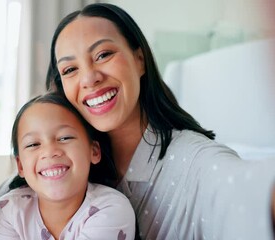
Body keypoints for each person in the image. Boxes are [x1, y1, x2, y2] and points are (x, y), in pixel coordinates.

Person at [44, 2, 275, 240]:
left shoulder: (195, 161)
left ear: (140, 59)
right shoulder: (62, 165)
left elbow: (245, 190)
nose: (89, 78)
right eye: (70, 69)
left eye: (103, 55)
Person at [0, 92, 136, 240]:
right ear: (20, 166)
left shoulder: (112, 209)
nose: (50, 152)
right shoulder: (7, 211)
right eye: (33, 144)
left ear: (94, 151)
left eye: (65, 138)